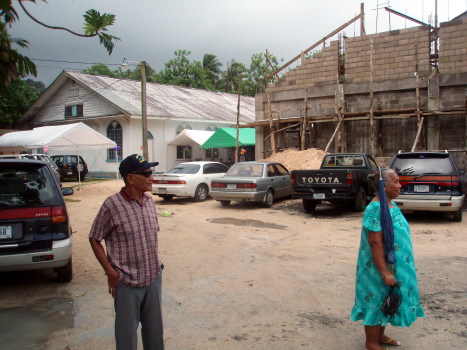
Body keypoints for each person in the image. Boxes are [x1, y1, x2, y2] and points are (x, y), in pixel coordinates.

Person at [89, 154, 164, 350]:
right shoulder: (111, 205)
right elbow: (95, 238)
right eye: (146, 173)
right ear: (130, 178)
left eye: (151, 172)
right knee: (126, 338)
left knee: (155, 335)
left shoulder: (149, 201)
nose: (151, 177)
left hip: (152, 279)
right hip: (127, 283)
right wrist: (110, 272)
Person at [350, 168, 424, 350]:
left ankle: (380, 335)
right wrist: (384, 272)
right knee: (376, 299)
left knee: (386, 299)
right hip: (377, 268)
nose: (400, 185)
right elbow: (375, 243)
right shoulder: (375, 209)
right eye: (396, 181)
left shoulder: (390, 205)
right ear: (384, 185)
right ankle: (371, 342)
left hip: (394, 266)